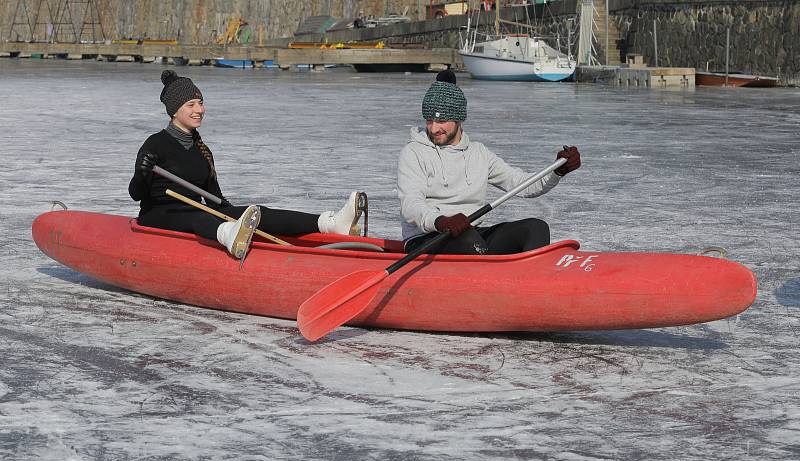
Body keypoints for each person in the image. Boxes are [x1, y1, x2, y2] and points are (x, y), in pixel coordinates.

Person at [130, 70, 366, 261]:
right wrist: (142, 173)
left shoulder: (202, 150)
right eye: (191, 104)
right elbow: (136, 194)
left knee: (253, 211)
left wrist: (238, 214)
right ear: (174, 111)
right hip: (158, 216)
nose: (200, 110)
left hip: (196, 212)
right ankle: (227, 235)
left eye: (200, 103)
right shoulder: (155, 144)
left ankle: (329, 224)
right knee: (197, 216)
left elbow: (215, 200)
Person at [397, 69, 581, 255]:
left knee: (536, 228)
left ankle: (532, 279)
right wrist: (441, 220)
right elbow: (411, 205)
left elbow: (523, 185)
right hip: (427, 237)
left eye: (442, 121)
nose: (434, 128)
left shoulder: (478, 153)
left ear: (459, 118)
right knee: (471, 242)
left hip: (470, 235)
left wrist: (558, 170)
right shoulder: (414, 152)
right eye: (429, 120)